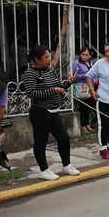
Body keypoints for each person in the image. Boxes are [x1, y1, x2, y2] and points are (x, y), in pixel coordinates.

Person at [22, 45, 80, 180]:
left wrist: (69, 83)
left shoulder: (49, 70)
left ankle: (66, 165)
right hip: (40, 112)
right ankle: (44, 170)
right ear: (36, 59)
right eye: (46, 57)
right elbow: (31, 93)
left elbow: (59, 86)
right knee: (41, 142)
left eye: (49, 56)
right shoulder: (30, 73)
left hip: (54, 111)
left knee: (63, 138)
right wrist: (53, 91)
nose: (49, 59)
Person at [72, 47, 96, 134]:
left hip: (90, 87)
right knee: (83, 107)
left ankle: (87, 124)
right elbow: (75, 75)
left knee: (89, 106)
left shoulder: (90, 63)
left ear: (90, 55)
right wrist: (87, 75)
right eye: (83, 54)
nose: (84, 56)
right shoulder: (77, 63)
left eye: (86, 55)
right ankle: (83, 125)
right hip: (82, 86)